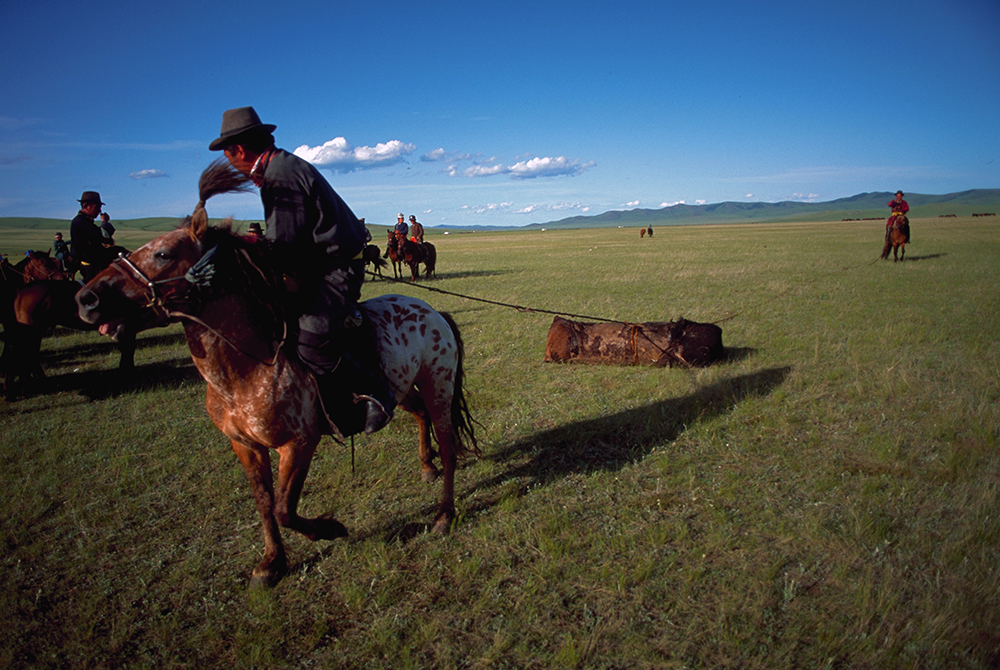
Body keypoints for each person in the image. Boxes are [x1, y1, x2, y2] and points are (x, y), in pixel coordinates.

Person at [209, 106, 393, 435]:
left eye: (227, 156)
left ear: (238, 150)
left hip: (334, 271)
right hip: (318, 265)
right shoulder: (277, 168)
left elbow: (285, 245)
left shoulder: (280, 175)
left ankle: (377, 394)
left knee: (312, 340)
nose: (229, 164)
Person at [70, 191, 116, 282]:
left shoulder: (85, 221)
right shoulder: (80, 222)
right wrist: (105, 221)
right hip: (92, 266)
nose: (99, 211)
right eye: (97, 207)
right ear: (86, 206)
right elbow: (104, 235)